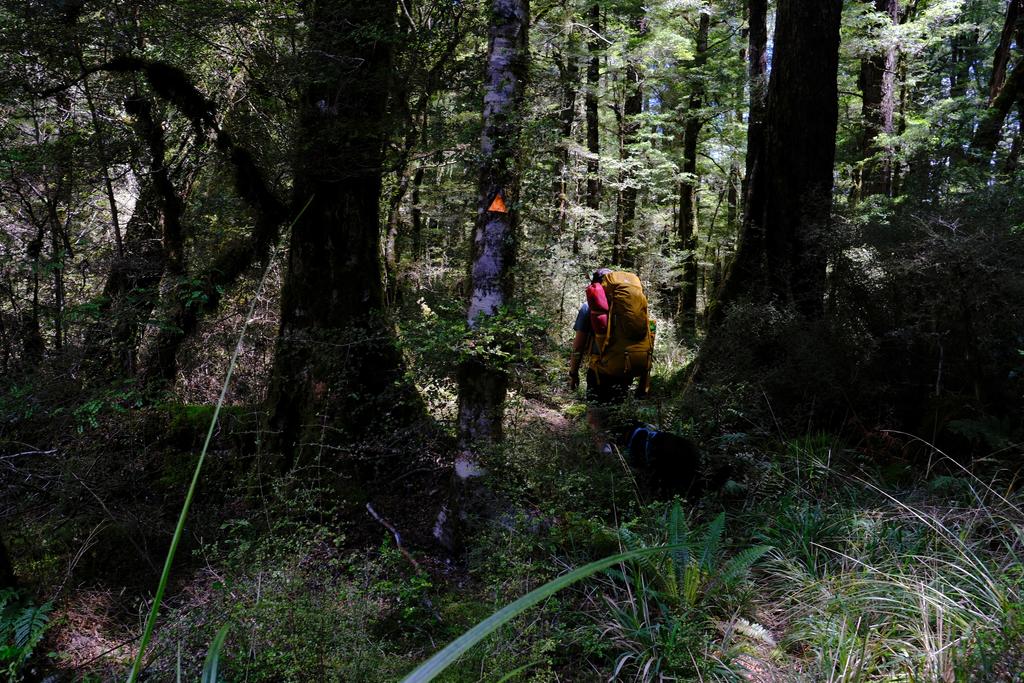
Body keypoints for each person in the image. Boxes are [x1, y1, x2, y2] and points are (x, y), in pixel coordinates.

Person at [568, 268, 652, 447]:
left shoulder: (589, 307)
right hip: (627, 367)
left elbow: (578, 346)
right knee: (615, 412)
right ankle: (621, 450)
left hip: (600, 371)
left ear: (595, 284)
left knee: (595, 416)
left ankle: (605, 457)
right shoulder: (632, 307)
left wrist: (573, 373)